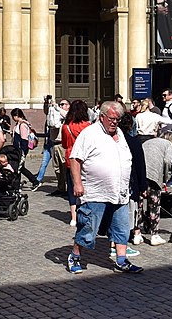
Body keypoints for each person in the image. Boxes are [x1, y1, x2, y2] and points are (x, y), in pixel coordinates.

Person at [64, 100, 142, 275]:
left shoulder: (120, 134)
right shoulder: (90, 133)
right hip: (95, 192)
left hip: (120, 192)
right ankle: (75, 256)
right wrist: (77, 183)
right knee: (87, 228)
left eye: (118, 119)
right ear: (101, 117)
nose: (115, 122)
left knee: (122, 229)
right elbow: (75, 159)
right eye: (112, 118)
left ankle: (121, 260)